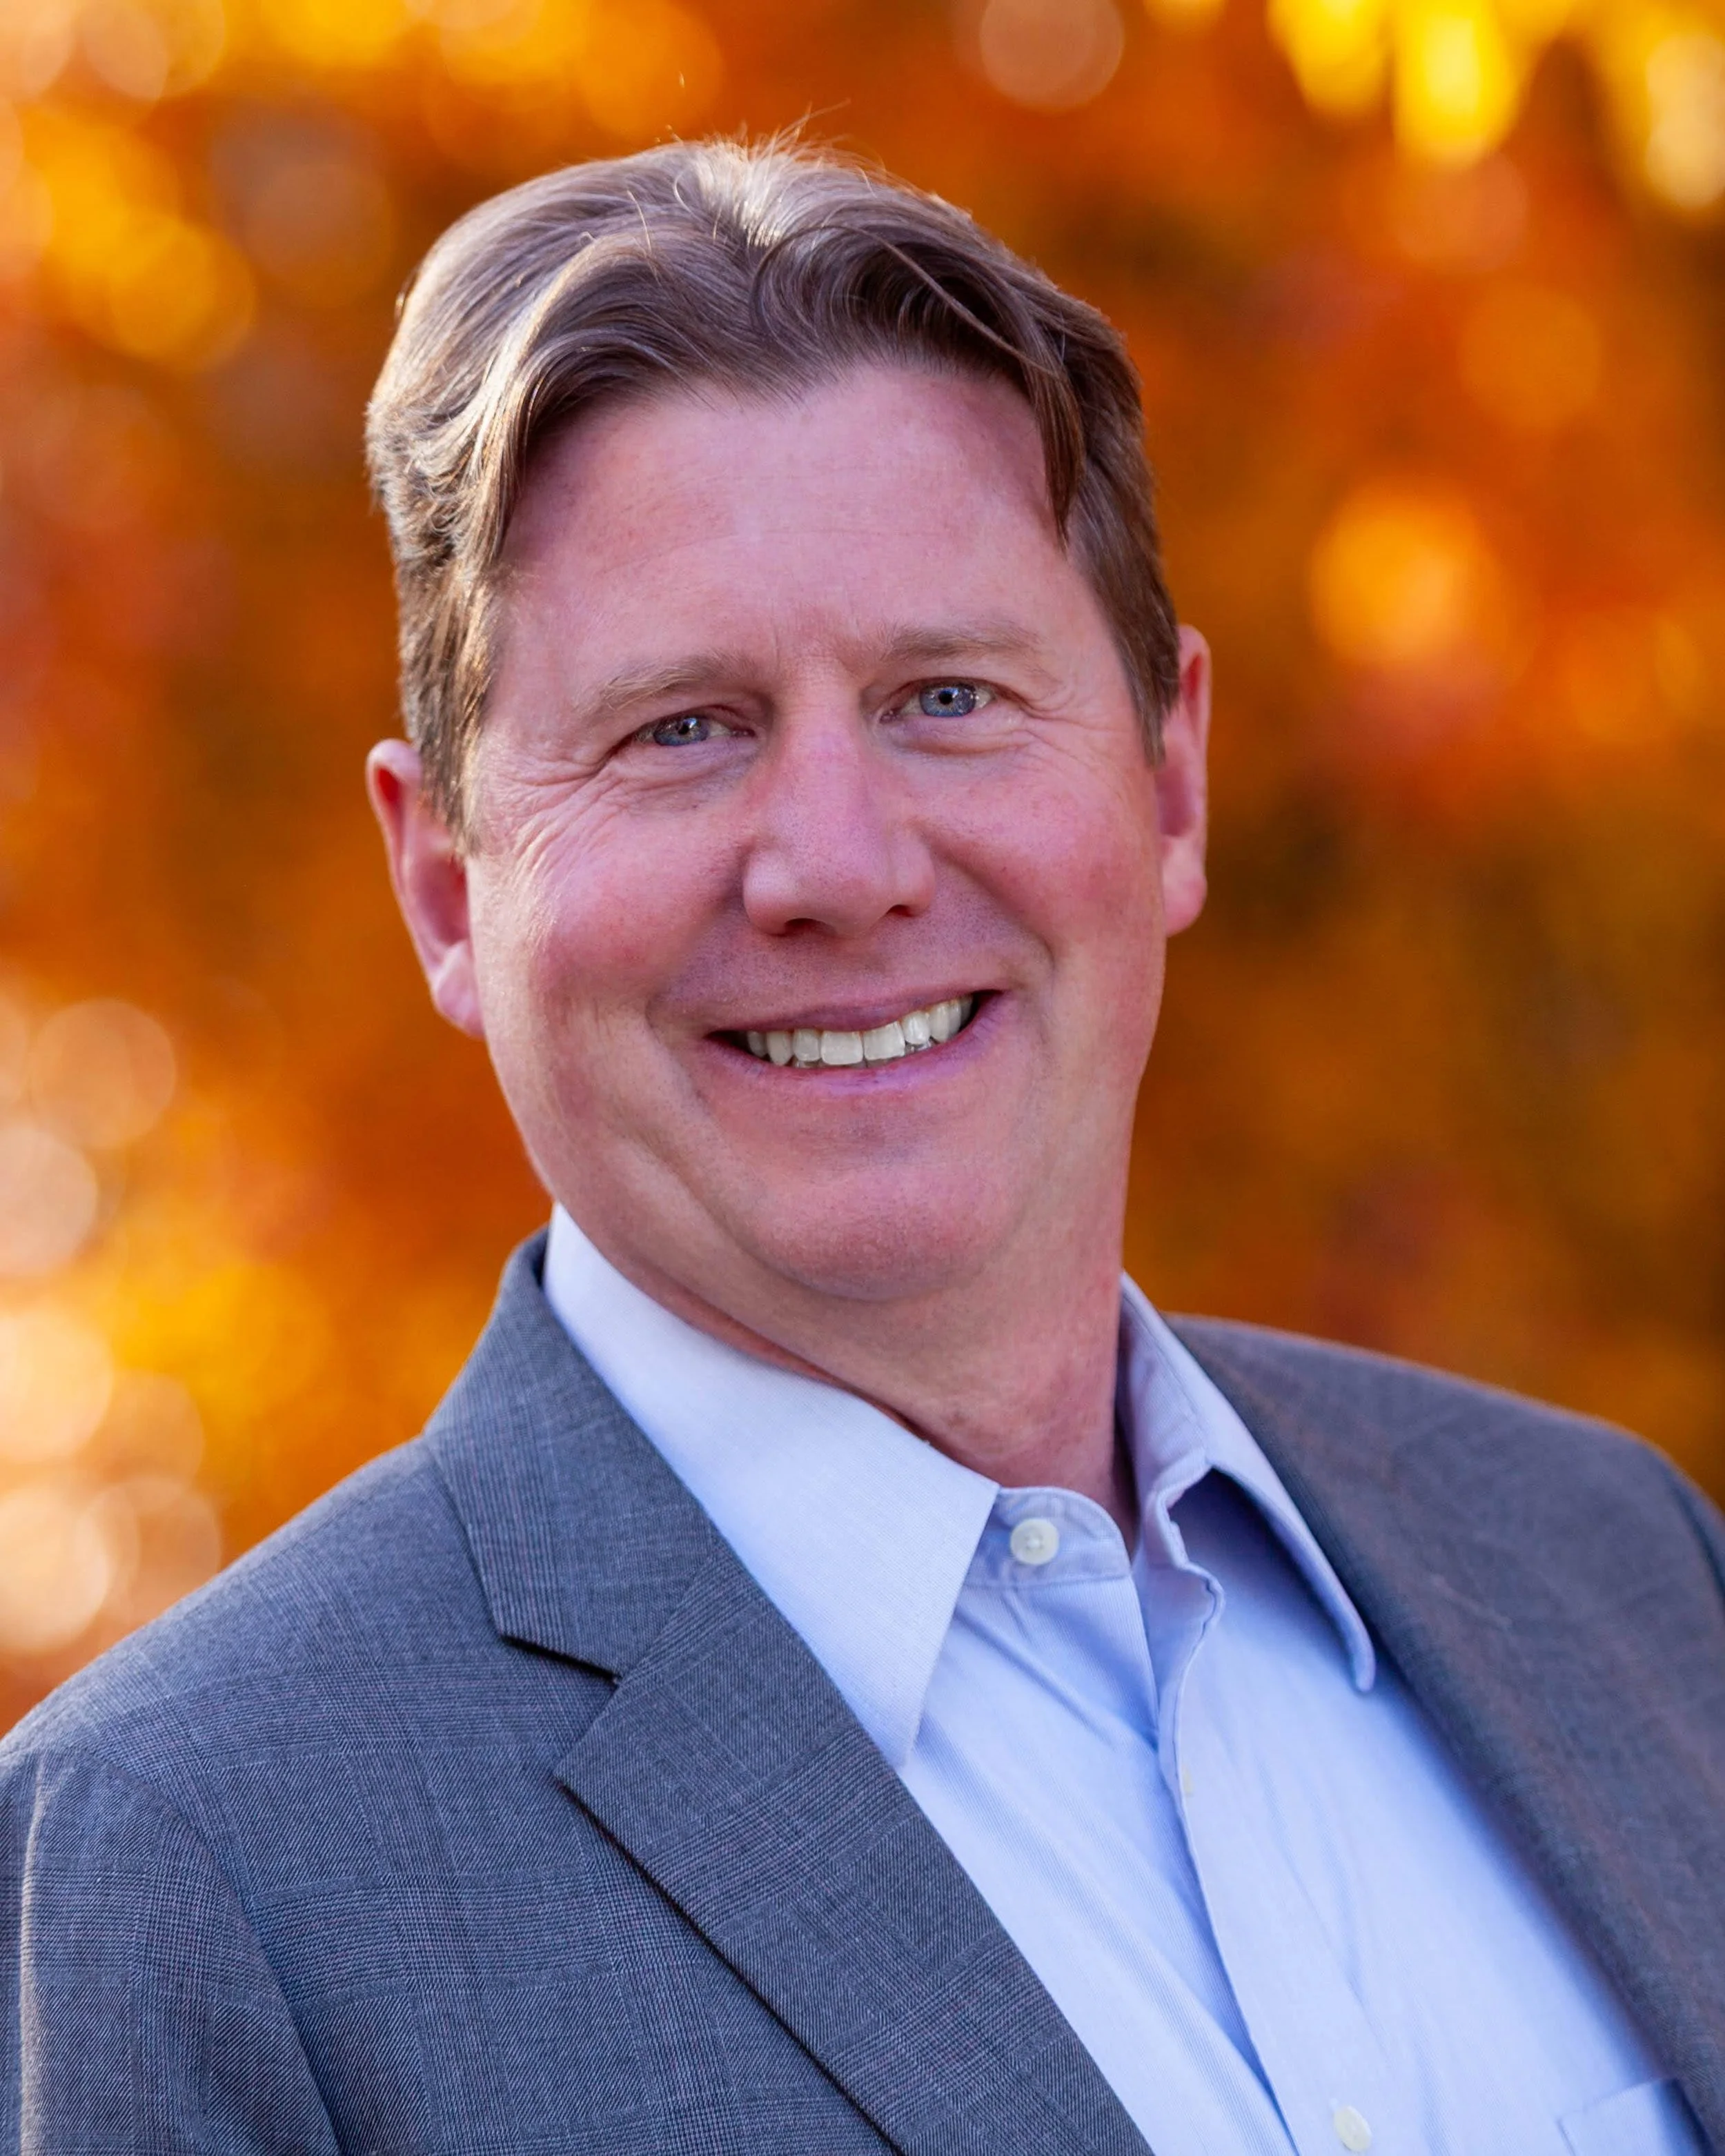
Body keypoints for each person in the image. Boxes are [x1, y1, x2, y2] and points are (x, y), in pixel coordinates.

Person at [3, 136, 1722, 2156]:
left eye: (947, 697)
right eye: (681, 729)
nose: (838, 862)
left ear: (1171, 781)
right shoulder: (190, 1872)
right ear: (447, 888)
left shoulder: (1617, 1570)